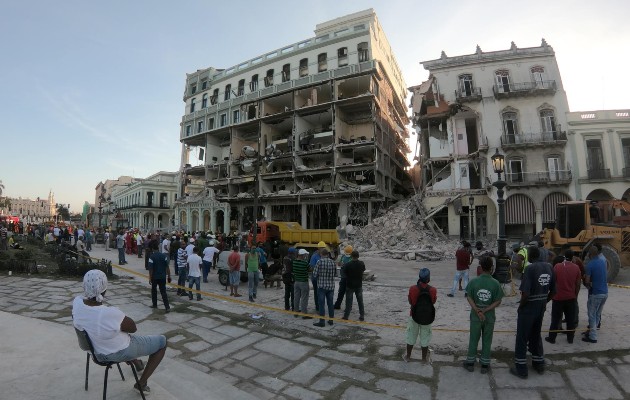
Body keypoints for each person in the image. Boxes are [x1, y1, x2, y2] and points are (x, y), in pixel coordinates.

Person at [72, 270, 166, 394]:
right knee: (162, 342)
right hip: (115, 352)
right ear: (104, 289)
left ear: (84, 286)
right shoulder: (109, 313)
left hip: (95, 351)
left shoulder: (77, 302)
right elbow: (133, 328)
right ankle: (141, 383)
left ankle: (137, 363)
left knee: (117, 335)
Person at [510, 246, 555, 379]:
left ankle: (521, 368)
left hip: (529, 307)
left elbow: (525, 293)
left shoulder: (530, 269)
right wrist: (544, 302)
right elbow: (554, 291)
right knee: (536, 335)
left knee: (522, 337)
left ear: (530, 256)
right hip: (541, 306)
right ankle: (539, 362)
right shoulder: (549, 267)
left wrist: (521, 307)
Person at [463, 256, 503, 373]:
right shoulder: (495, 283)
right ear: (491, 268)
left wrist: (477, 310)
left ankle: (470, 362)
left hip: (476, 316)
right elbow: (498, 301)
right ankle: (485, 364)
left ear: (480, 267)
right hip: (489, 317)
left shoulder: (474, 282)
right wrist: (485, 311)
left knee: (473, 338)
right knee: (487, 339)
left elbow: (469, 296)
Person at [545, 254, 581, 344]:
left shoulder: (557, 266)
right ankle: (570, 339)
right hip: (571, 298)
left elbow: (552, 281)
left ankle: (552, 338)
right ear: (572, 257)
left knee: (555, 319)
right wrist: (575, 295)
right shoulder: (576, 268)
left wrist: (551, 294)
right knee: (570, 320)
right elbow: (578, 284)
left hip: (558, 298)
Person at [403, 268, 436, 363]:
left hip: (414, 316)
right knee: (425, 337)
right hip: (427, 317)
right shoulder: (433, 290)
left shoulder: (413, 288)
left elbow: (410, 302)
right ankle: (423, 359)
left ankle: (408, 356)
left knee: (411, 336)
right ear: (428, 278)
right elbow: (433, 301)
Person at [582, 244, 608, 344]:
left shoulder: (590, 265)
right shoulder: (602, 261)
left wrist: (588, 287)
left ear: (590, 254)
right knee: (597, 314)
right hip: (605, 293)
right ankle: (593, 332)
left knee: (592, 315)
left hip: (596, 293)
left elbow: (587, 281)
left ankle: (593, 337)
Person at [312, 248, 336, 327]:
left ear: (321, 254)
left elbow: (315, 274)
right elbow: (335, 274)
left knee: (321, 304)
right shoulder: (333, 262)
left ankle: (322, 322)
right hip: (331, 286)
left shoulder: (319, 262)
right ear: (328, 254)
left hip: (322, 286)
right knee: (330, 304)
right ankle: (331, 320)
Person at [342, 250, 366, 321]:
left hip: (350, 285)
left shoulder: (348, 264)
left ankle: (346, 316)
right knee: (360, 301)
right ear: (358, 256)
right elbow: (363, 270)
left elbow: (344, 273)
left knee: (348, 302)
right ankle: (362, 316)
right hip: (359, 285)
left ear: (351, 256)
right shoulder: (361, 263)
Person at [148, 242, 171, 312]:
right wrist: (169, 276)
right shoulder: (164, 256)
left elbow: (150, 269)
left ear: (152, 249)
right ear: (158, 248)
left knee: (154, 291)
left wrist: (150, 278)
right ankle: (167, 307)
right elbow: (167, 267)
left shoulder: (151, 257)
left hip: (155, 277)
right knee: (163, 292)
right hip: (162, 277)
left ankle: (154, 304)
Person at [293, 249, 311, 319]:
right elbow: (310, 269)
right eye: (305, 255)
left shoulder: (294, 262)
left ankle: (295, 312)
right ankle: (304, 313)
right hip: (304, 282)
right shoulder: (305, 263)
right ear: (303, 255)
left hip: (296, 282)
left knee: (296, 297)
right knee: (304, 298)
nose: (306, 256)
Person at [334, 245, 353, 310]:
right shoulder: (344, 257)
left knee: (345, 293)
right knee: (343, 292)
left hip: (347, 278)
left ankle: (345, 306)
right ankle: (339, 305)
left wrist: (343, 264)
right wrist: (340, 263)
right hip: (345, 278)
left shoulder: (350, 258)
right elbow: (338, 263)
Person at [309, 241, 327, 310]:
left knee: (322, 293)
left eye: (323, 248)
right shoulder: (314, 256)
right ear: (318, 248)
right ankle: (318, 307)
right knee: (317, 293)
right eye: (321, 248)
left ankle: (321, 306)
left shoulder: (325, 256)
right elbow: (312, 267)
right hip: (315, 278)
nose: (322, 249)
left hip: (323, 278)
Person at [282, 247, 296, 311]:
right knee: (293, 293)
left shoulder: (285, 258)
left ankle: (286, 307)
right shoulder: (292, 259)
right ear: (292, 253)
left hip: (285, 277)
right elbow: (293, 268)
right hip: (291, 277)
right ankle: (293, 307)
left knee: (287, 293)